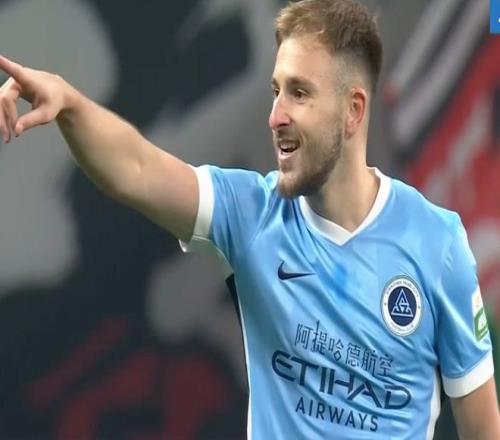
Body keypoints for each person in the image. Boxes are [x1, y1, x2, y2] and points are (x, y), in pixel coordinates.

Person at [0, 0, 498, 438]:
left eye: (299, 93)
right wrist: (68, 104)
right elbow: (136, 169)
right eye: (276, 90)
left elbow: (481, 427)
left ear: (353, 111)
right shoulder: (251, 214)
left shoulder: (437, 242)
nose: (275, 115)